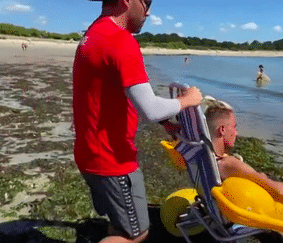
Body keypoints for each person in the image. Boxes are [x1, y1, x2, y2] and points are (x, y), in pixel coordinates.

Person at [72, 0, 202, 242]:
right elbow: (150, 108)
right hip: (111, 160)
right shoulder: (121, 40)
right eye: (147, 2)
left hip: (88, 152)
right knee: (136, 233)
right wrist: (187, 100)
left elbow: (117, 95)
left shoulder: (93, 34)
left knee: (119, 222)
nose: (149, 12)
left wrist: (166, 123)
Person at [204, 99, 283, 215]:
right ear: (223, 130)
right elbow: (279, 192)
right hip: (256, 210)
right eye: (234, 127)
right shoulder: (227, 164)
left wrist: (256, 176)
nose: (237, 133)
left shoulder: (203, 155)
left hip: (218, 207)